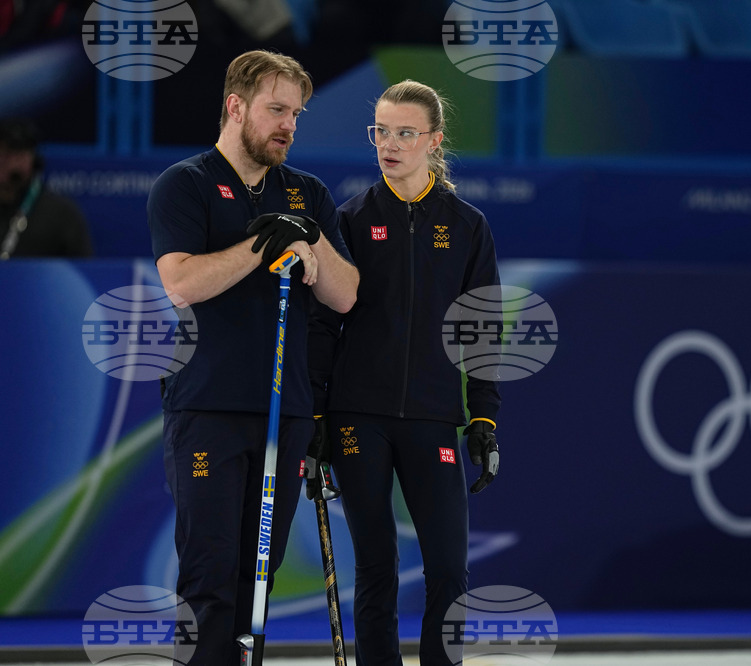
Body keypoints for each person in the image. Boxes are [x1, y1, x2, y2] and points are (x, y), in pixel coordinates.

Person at [146, 49, 358, 666]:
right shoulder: (184, 183)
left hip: (283, 414)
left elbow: (344, 294)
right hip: (209, 406)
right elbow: (182, 282)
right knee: (209, 578)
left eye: (296, 113)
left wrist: (308, 237)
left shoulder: (307, 193)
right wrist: (263, 241)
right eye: (276, 110)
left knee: (256, 586)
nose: (289, 125)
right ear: (236, 106)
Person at [308, 79, 502, 666]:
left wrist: (485, 415)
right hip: (356, 417)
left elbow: (483, 330)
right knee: (375, 566)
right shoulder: (349, 219)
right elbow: (322, 327)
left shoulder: (467, 226)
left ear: (434, 141)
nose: (389, 144)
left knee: (448, 566)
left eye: (405, 133)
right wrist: (316, 414)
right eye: (381, 132)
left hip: (433, 416)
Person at [0, 117, 92, 259]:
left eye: (19, 155)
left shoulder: (61, 214)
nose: (12, 163)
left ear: (34, 160)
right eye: (5, 155)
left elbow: (82, 272)